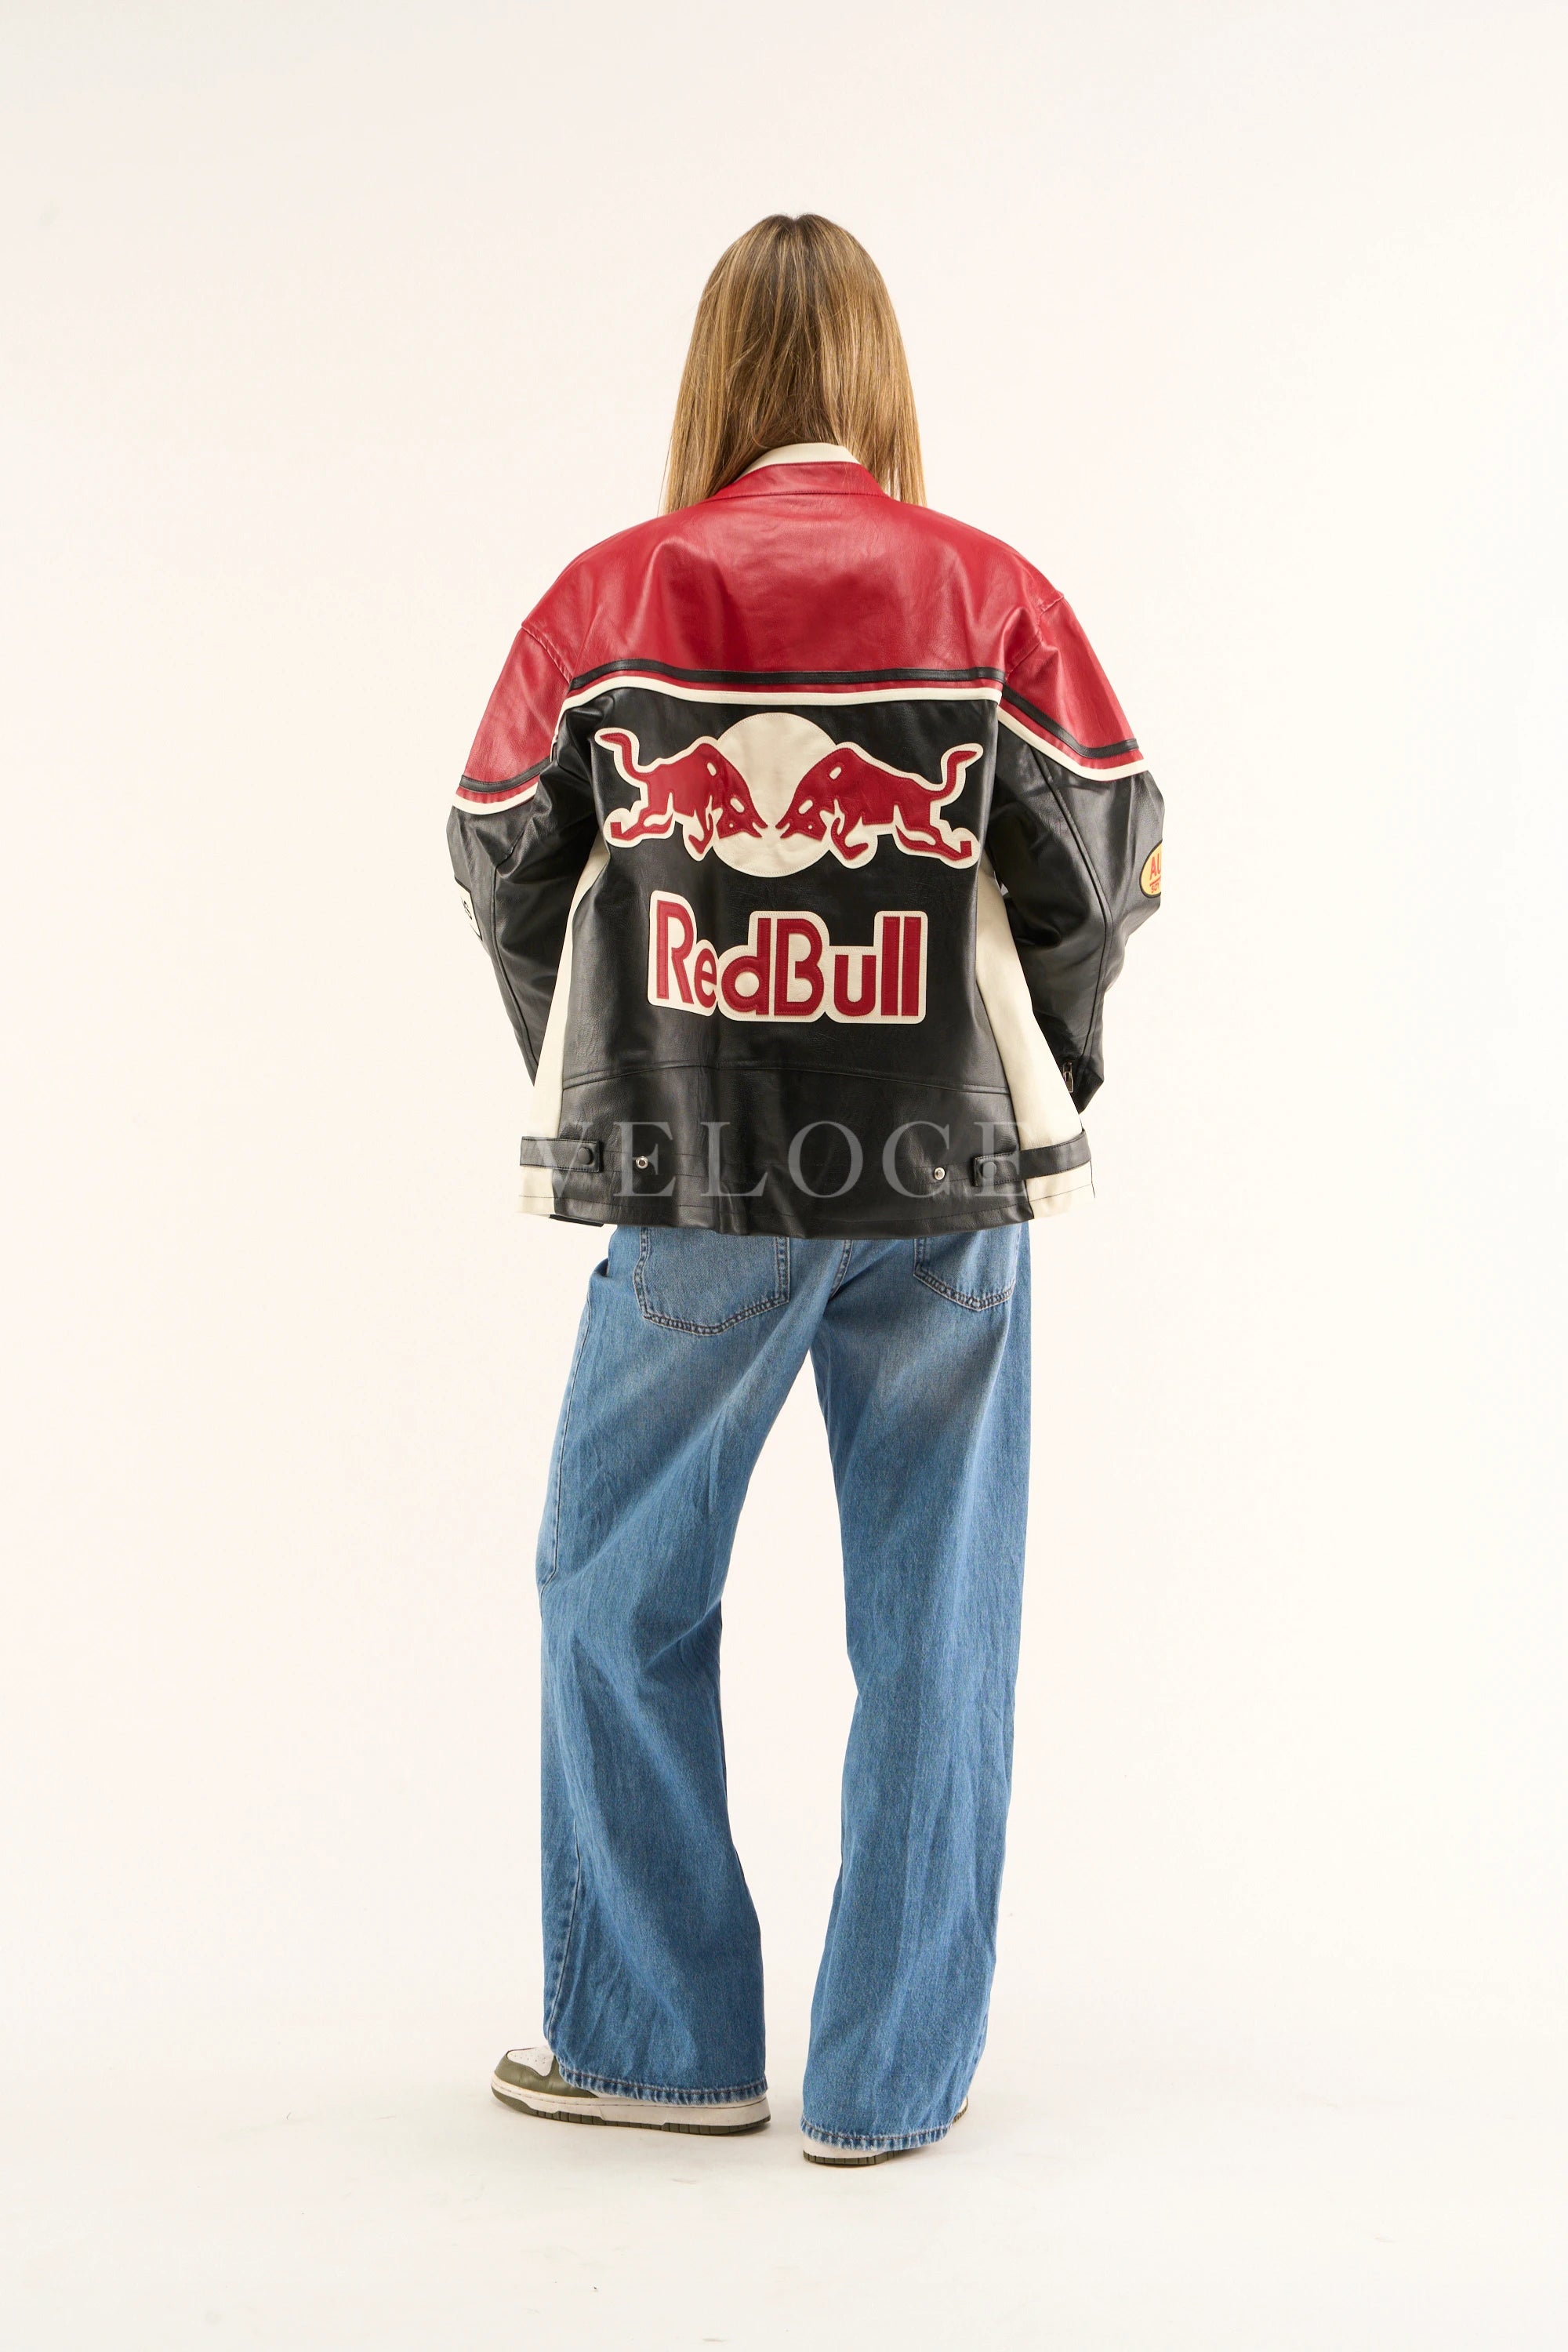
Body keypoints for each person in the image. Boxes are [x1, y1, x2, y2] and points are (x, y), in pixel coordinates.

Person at [448, 214, 1162, 2165]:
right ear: (877, 377)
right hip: (946, 1182)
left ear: (713, 380)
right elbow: (1107, 858)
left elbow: (497, 855)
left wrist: (622, 1083)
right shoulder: (989, 593)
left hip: (697, 1186)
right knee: (938, 1620)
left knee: (613, 1593)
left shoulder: (609, 597)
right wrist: (1028, 1072)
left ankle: (661, 2052)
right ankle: (885, 2090)